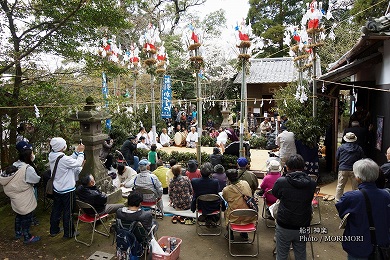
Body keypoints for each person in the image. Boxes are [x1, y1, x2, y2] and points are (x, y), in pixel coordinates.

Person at [336, 158, 390, 259]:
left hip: (358, 247)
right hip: (382, 247)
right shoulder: (386, 195)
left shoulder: (350, 197)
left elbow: (342, 213)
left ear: (358, 178)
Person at [272, 154, 317, 260]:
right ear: (303, 167)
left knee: (282, 255)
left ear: (287, 167)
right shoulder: (311, 183)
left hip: (284, 223)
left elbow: (276, 194)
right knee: (301, 253)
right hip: (303, 223)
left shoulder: (282, 181)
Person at [0, 141, 41, 244]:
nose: (33, 155)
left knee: (18, 215)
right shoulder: (27, 169)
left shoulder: (15, 164)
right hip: (24, 197)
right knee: (27, 217)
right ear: (28, 155)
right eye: (32, 153)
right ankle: (27, 237)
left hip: (15, 197)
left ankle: (18, 233)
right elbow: (36, 180)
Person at [49, 137, 85, 238]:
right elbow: (77, 163)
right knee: (68, 212)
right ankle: (69, 233)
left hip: (57, 188)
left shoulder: (52, 155)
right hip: (67, 190)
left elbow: (68, 160)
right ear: (61, 147)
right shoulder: (63, 159)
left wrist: (76, 153)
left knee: (56, 209)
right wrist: (81, 153)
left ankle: (54, 230)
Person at [222, 169, 257, 241]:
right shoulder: (245, 183)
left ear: (228, 178)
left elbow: (226, 199)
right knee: (242, 207)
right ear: (237, 176)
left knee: (227, 211)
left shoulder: (226, 189)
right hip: (250, 216)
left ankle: (230, 235)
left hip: (234, 217)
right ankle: (244, 234)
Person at [335, 132, 365, 202]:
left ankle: (337, 200)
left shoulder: (341, 147)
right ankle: (356, 200)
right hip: (354, 169)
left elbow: (337, 157)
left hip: (343, 168)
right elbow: (362, 158)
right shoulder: (359, 148)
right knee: (356, 187)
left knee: (340, 186)